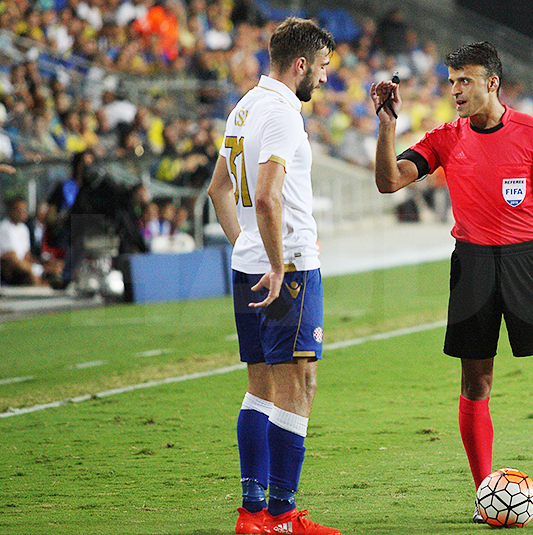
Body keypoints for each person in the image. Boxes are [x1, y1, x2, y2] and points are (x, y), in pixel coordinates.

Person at [370, 42, 533, 521]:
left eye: (464, 81)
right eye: (451, 82)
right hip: (473, 267)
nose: (456, 90)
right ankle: (486, 493)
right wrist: (387, 124)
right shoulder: (445, 137)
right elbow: (388, 181)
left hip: (527, 263)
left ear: (491, 83)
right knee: (476, 381)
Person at [206, 17, 339, 535]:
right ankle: (283, 516)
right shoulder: (284, 113)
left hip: (247, 266)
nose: (324, 79)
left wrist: (248, 246)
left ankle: (252, 515)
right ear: (301, 64)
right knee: (299, 382)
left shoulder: (243, 107)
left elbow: (219, 190)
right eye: (323, 68)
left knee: (260, 386)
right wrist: (279, 263)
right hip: (292, 268)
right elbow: (266, 195)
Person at [1, 196, 45, 286]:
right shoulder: (5, 228)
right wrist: (30, 270)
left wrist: (44, 263)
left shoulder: (24, 228)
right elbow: (11, 257)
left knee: (56, 267)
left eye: (25, 209)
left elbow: (27, 255)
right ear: (11, 211)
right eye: (20, 210)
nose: (24, 212)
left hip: (24, 266)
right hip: (10, 269)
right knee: (31, 276)